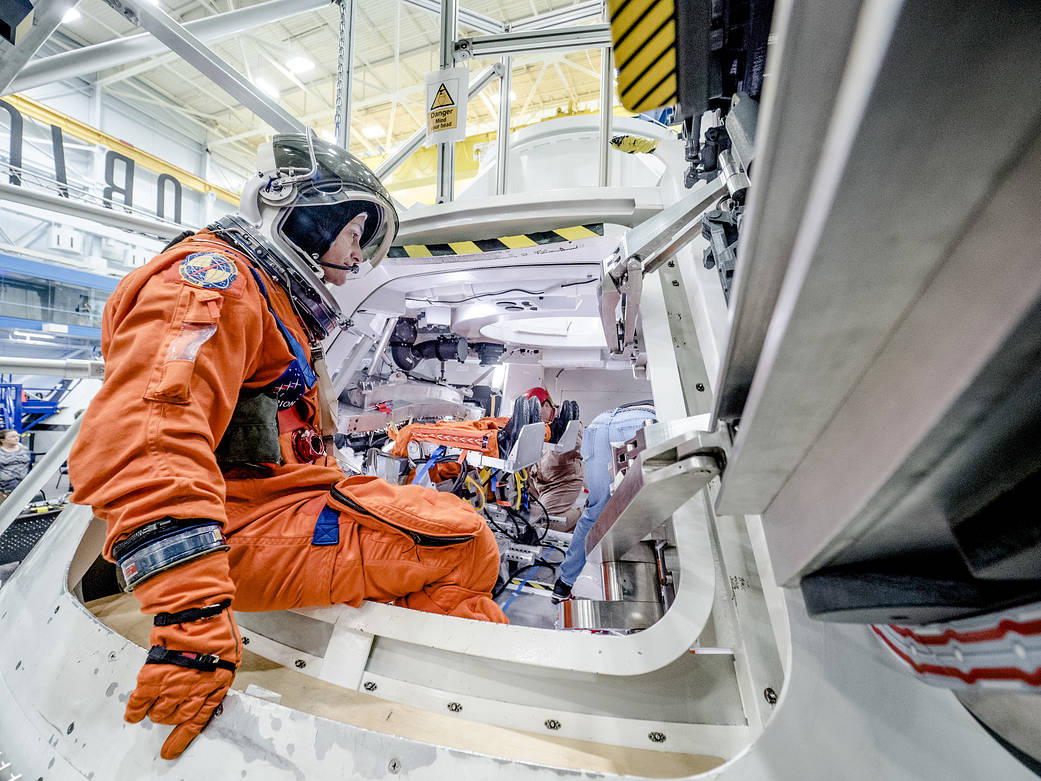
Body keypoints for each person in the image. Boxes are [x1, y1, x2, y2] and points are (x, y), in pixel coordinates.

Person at [68, 133, 506, 761]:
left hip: (278, 502)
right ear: (299, 212)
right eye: (353, 236)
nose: (354, 261)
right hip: (238, 527)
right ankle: (472, 722)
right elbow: (143, 441)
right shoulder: (213, 284)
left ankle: (440, 707)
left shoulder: (271, 301)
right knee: (464, 541)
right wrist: (190, 625)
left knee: (443, 529)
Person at [551, 401, 656, 603]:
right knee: (639, 513)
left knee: (595, 511)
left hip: (600, 424)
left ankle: (564, 584)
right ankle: (633, 591)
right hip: (639, 423)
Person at [522, 388, 584, 530]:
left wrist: (561, 433)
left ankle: (584, 514)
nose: (533, 416)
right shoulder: (538, 427)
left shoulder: (567, 422)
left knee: (545, 523)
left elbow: (576, 444)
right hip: (539, 481)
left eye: (535, 410)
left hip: (562, 482)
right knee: (515, 503)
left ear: (547, 406)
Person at [0, 429, 31, 501]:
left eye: (17, 436)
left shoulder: (24, 449)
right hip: (3, 488)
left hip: (22, 486)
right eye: (12, 437)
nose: (16, 438)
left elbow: (28, 466)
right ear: (2, 440)